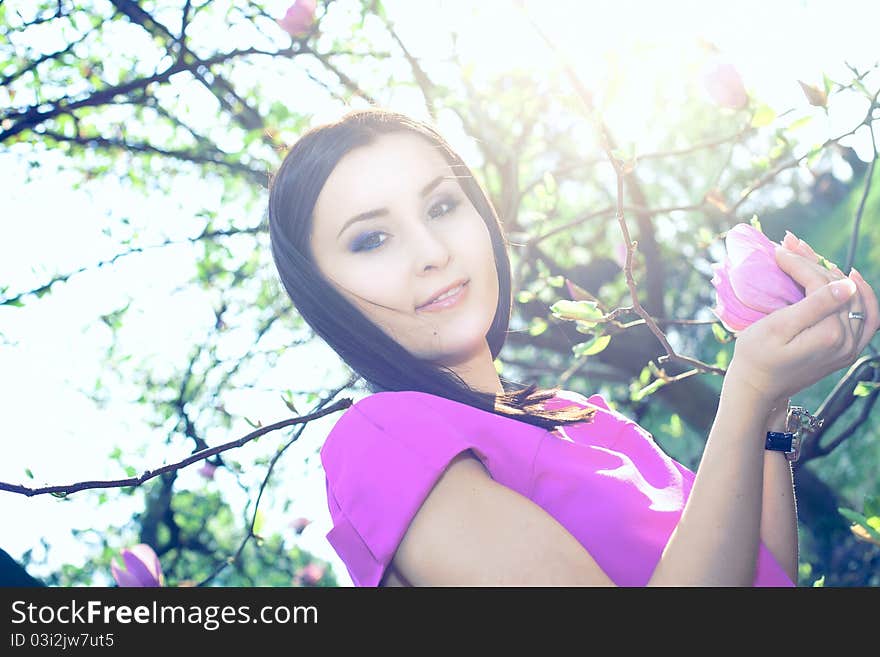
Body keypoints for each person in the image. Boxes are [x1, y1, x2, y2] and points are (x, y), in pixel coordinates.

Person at [267, 107, 878, 587]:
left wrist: (770, 404)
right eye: (371, 239)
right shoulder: (379, 441)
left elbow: (762, 576)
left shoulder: (577, 414)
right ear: (323, 293)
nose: (432, 251)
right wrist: (745, 390)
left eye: (442, 205)